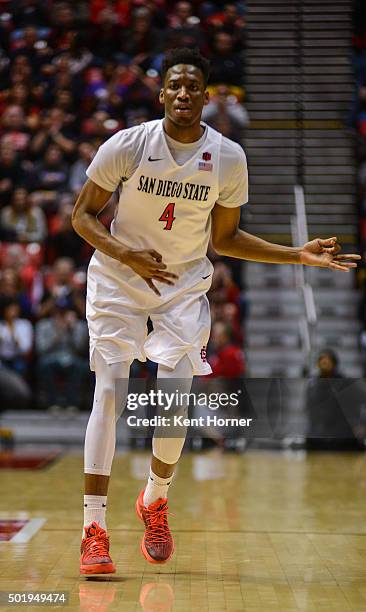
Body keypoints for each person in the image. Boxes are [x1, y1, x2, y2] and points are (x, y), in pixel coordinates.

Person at [72, 47, 360, 575]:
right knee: (109, 395)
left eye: (192, 86)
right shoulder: (128, 145)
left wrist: (295, 253)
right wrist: (126, 254)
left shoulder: (227, 157)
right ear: (162, 94)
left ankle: (155, 499)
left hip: (181, 288)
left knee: (174, 406)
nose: (183, 93)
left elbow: (224, 240)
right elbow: (82, 216)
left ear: (206, 96)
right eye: (174, 85)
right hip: (118, 280)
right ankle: (94, 529)